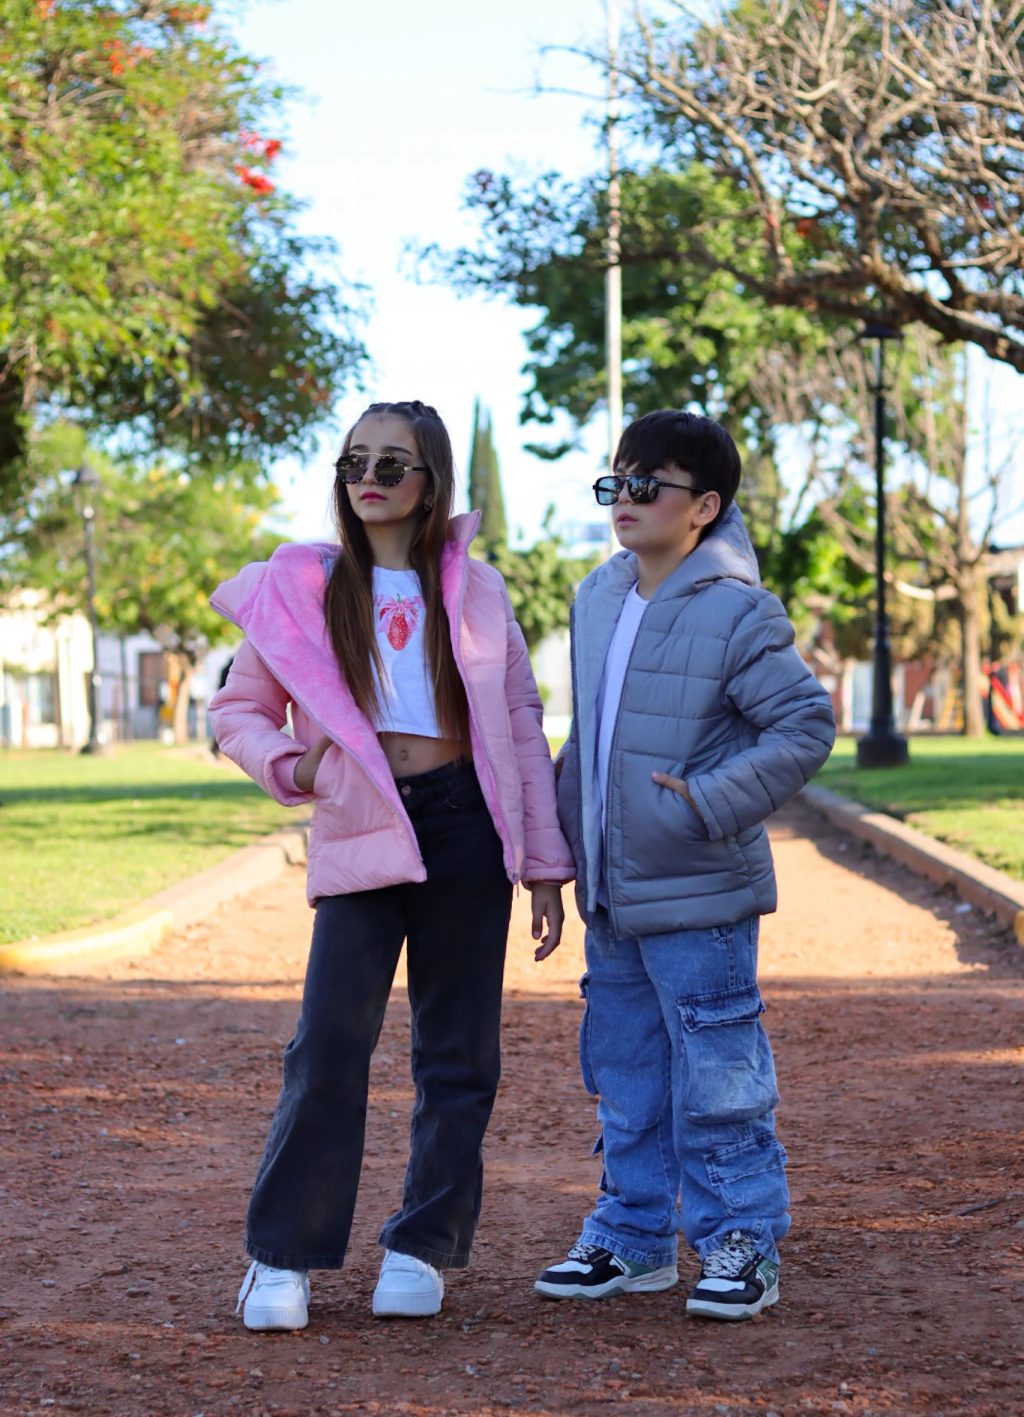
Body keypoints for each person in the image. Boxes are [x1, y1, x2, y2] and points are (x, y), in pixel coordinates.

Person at [209, 399, 573, 1332]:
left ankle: (422, 1245)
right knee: (328, 1042)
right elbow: (238, 711)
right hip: (363, 823)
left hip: (465, 827)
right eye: (354, 461)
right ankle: (281, 1254)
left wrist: (541, 864)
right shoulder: (300, 585)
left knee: (460, 1052)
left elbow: (521, 722)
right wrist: (297, 767)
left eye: (391, 463)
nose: (368, 477)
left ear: (430, 481)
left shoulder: (480, 589)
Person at [535, 409, 835, 1321]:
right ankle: (632, 1236)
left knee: (718, 1073)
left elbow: (804, 726)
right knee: (624, 1067)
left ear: (704, 506)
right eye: (615, 481)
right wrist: (560, 854)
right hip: (612, 893)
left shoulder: (740, 610)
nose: (623, 498)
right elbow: (589, 740)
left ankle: (741, 1237)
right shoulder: (596, 598)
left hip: (700, 892)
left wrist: (706, 802)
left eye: (646, 484)